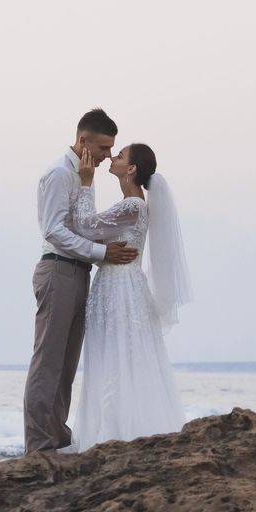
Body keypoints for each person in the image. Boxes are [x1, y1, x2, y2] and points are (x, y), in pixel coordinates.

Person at [22, 108, 138, 453]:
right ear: (83, 140)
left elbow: (82, 227)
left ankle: (58, 437)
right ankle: (38, 445)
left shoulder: (84, 175)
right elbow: (53, 230)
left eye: (111, 149)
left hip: (78, 271)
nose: (107, 156)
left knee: (67, 363)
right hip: (58, 270)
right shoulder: (60, 173)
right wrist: (103, 252)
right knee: (48, 361)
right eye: (103, 148)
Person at [64, 142, 192, 452]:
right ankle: (113, 429)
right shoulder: (130, 205)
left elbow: (85, 226)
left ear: (131, 169)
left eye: (120, 156)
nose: (113, 157)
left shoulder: (133, 206)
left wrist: (86, 182)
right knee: (115, 356)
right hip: (118, 285)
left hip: (120, 289)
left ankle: (117, 433)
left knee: (118, 357)